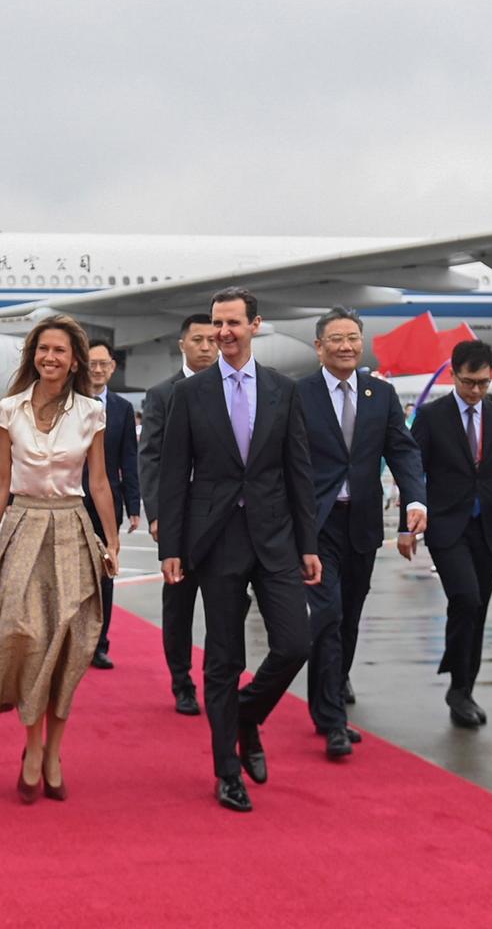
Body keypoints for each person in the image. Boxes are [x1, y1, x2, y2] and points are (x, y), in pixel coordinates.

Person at [157, 287, 319, 813]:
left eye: (232, 323)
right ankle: (227, 769)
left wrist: (308, 542)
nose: (222, 332)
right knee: (223, 660)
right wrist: (173, 546)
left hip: (275, 538)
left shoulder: (282, 389)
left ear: (255, 325)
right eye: (215, 323)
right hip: (215, 540)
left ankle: (247, 716)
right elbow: (175, 475)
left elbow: (299, 470)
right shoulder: (191, 393)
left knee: (296, 642)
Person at [0, 316, 118, 803]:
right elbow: (1, 482)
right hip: (23, 526)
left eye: (60, 352)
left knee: (70, 644)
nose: (51, 358)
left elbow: (99, 482)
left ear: (74, 362)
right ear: (34, 355)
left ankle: (55, 752)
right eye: (43, 349)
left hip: (71, 528)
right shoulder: (8, 410)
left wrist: (111, 543)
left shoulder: (91, 413)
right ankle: (31, 748)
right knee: (26, 638)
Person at [297, 308, 426, 757]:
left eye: (353, 337)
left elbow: (403, 451)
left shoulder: (381, 394)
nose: (347, 346)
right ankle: (333, 719)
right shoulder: (299, 394)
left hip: (363, 521)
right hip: (317, 523)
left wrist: (414, 499)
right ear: (319, 346)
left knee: (349, 616)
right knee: (328, 613)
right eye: (336, 339)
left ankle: (324, 699)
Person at [402, 339, 492, 730]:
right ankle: (457, 683)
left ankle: (463, 688)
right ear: (453, 374)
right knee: (465, 598)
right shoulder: (431, 416)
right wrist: (405, 526)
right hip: (445, 525)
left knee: (478, 611)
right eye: (469, 382)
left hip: (486, 528)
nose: (476, 391)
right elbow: (412, 471)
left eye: (484, 383)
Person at [138, 313, 217, 715]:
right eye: (198, 339)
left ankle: (220, 680)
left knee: (227, 605)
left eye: (212, 339)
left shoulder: (232, 388)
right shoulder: (162, 394)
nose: (206, 346)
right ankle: (182, 680)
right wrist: (157, 515)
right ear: (182, 344)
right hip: (181, 521)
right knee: (180, 606)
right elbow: (149, 457)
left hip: (224, 519)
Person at [81, 339, 140, 670]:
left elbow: (129, 458)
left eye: (104, 364)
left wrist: (133, 504)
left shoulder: (121, 408)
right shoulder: (69, 402)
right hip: (71, 500)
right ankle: (70, 641)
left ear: (113, 367)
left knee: (105, 573)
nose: (98, 369)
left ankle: (99, 645)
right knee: (72, 573)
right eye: (92, 364)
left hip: (108, 504)